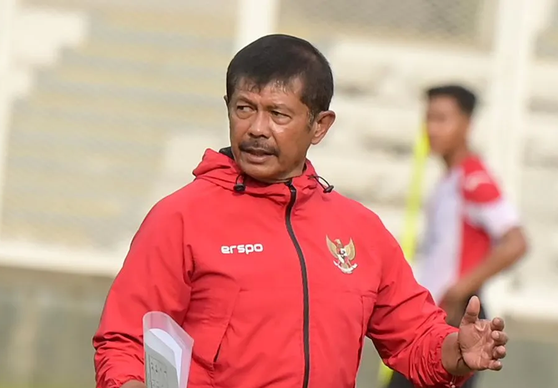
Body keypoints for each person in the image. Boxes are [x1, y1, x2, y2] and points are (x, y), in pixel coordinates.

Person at [93, 35, 510, 388]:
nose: (256, 128)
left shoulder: (358, 230)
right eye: (244, 108)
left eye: (277, 114)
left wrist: (457, 349)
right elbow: (124, 341)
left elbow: (415, 337)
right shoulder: (180, 217)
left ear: (320, 126)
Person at [387, 85, 528, 388]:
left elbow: (516, 242)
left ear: (466, 123)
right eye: (428, 119)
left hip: (455, 318)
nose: (432, 129)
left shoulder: (473, 178)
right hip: (434, 318)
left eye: (442, 119)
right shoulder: (448, 181)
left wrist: (459, 290)